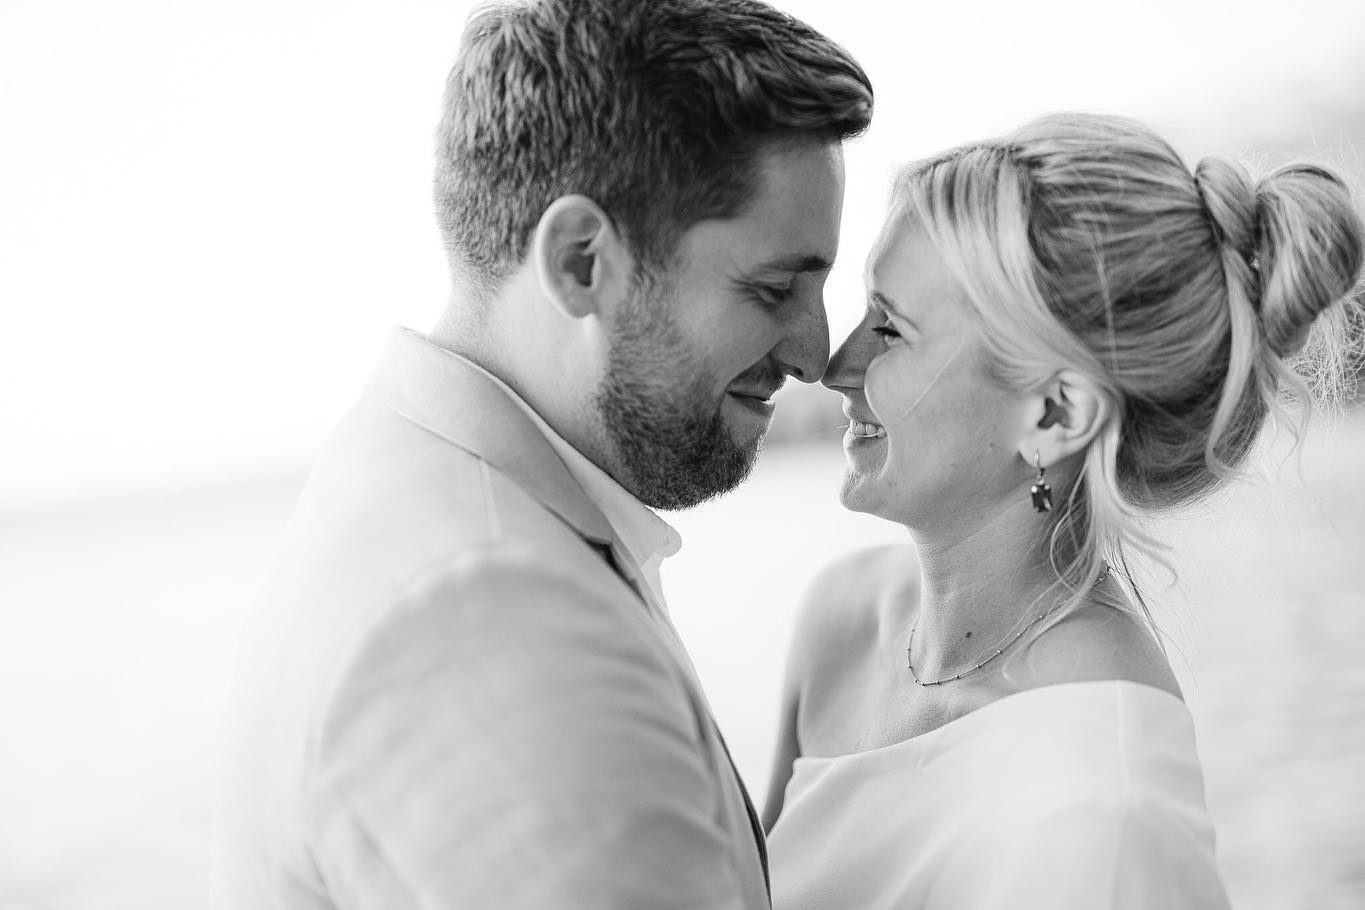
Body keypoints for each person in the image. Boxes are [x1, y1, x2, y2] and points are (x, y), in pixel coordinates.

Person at [213, 1, 871, 907]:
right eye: (771, 288)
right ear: (579, 261)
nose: (813, 352)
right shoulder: (487, 611)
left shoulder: (442, 494)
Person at [763, 112, 1363, 908]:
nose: (836, 367)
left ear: (1053, 415)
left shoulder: (1105, 807)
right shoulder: (841, 618)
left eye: (889, 327)